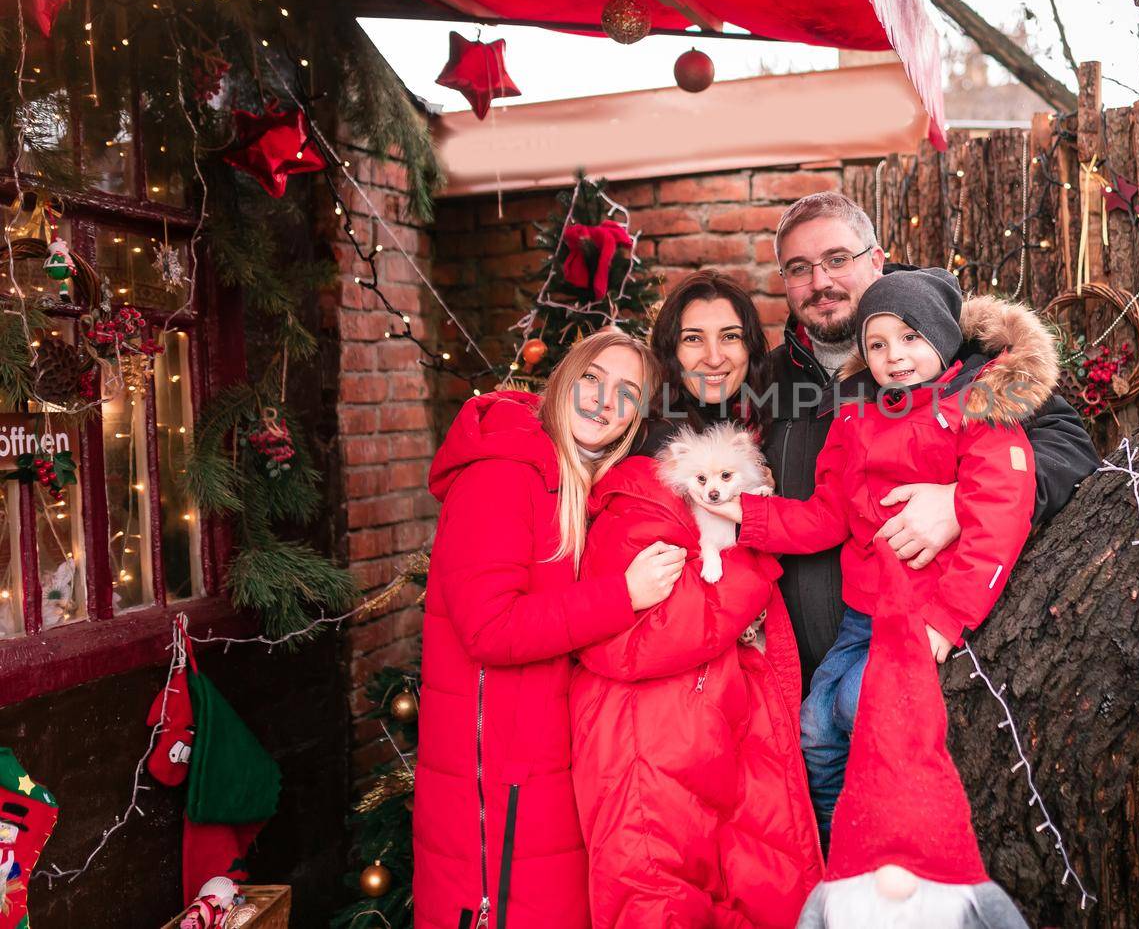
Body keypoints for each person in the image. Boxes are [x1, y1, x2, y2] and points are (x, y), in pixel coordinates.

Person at [715, 268, 1057, 842]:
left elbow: (998, 520)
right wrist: (748, 515)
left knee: (854, 708)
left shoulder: (978, 408)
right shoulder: (856, 416)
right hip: (860, 612)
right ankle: (835, 848)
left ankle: (882, 842)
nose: (894, 356)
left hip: (922, 610)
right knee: (814, 727)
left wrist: (948, 620)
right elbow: (829, 513)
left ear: (944, 338)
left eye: (910, 337)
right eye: (877, 344)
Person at [762, 192, 1099, 688]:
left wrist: (960, 504)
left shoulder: (959, 348)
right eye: (798, 268)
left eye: (837, 259)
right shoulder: (768, 380)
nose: (820, 282)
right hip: (813, 676)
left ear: (875, 259)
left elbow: (1069, 446)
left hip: (932, 655)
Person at [569, 271, 823, 929]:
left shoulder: (743, 436)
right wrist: (755, 546)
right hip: (657, 728)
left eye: (731, 336)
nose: (714, 354)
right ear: (668, 355)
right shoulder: (648, 470)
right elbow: (651, 630)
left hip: (714, 713)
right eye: (693, 338)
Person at [414, 331, 689, 929]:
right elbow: (489, 627)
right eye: (592, 378)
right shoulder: (503, 476)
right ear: (564, 379)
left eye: (626, 393)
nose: (602, 401)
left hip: (543, 764)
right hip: (497, 783)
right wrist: (624, 595)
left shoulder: (569, 483)